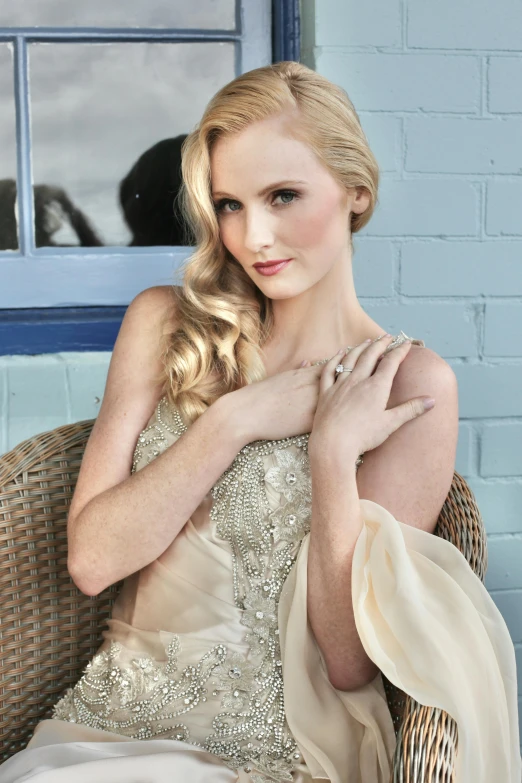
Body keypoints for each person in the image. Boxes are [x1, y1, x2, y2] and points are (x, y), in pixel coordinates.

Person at [1, 61, 520, 783]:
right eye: (231, 205)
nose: (256, 236)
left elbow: (346, 662)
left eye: (283, 196)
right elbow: (93, 562)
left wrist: (333, 456)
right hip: (109, 723)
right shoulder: (164, 324)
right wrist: (234, 419)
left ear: (356, 190)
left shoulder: (410, 384)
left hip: (285, 748)